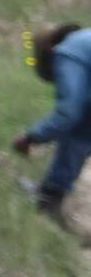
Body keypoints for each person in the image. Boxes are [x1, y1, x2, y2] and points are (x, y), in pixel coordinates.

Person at [13, 23, 91, 222]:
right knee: (81, 129)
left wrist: (31, 137)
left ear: (49, 51)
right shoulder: (83, 42)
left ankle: (50, 198)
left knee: (76, 129)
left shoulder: (66, 52)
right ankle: (51, 192)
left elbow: (68, 113)